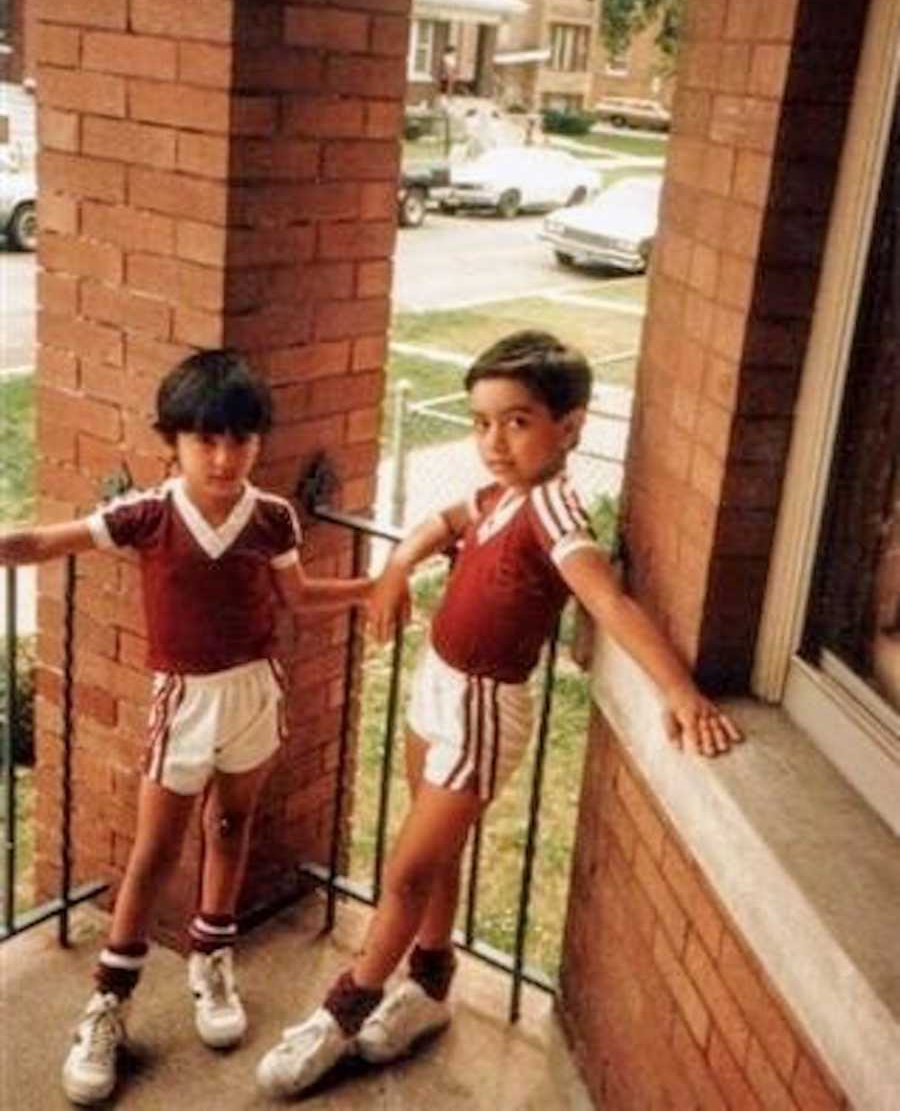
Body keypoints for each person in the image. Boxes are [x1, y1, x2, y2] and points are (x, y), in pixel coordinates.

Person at [256, 330, 743, 1097]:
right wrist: (392, 571)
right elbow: (439, 523)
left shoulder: (552, 510)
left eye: (516, 421)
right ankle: (430, 986)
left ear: (570, 426)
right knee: (432, 856)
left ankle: (342, 1013)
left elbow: (608, 598)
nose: (492, 440)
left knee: (409, 870)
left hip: (482, 707)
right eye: (481, 421)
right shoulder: (497, 494)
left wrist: (678, 689)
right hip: (436, 687)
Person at [0, 349, 373, 1106]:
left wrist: (381, 584)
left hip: (254, 695)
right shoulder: (147, 514)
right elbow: (44, 542)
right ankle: (108, 1001)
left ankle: (212, 954)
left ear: (257, 442)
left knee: (231, 825)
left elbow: (298, 597)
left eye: (241, 439)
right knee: (154, 852)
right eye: (206, 438)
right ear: (172, 441)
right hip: (184, 701)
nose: (225, 455)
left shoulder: (272, 516)